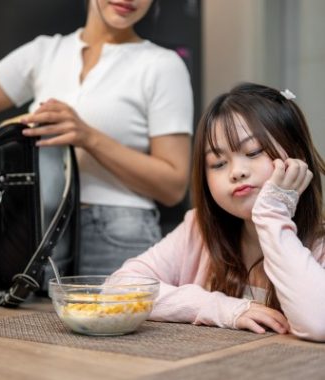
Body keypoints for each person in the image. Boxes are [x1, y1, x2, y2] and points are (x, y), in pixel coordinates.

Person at [0, 0, 194, 280]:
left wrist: (89, 137)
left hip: (119, 234)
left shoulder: (162, 65)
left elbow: (173, 186)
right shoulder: (46, 53)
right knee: (15, 325)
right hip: (37, 226)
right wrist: (1, 148)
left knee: (119, 324)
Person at [113, 82, 325, 342]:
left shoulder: (320, 242)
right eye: (218, 163)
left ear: (297, 155)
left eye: (253, 151)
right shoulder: (197, 230)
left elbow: (319, 323)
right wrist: (222, 308)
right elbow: (119, 288)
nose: (236, 171)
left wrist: (273, 214)